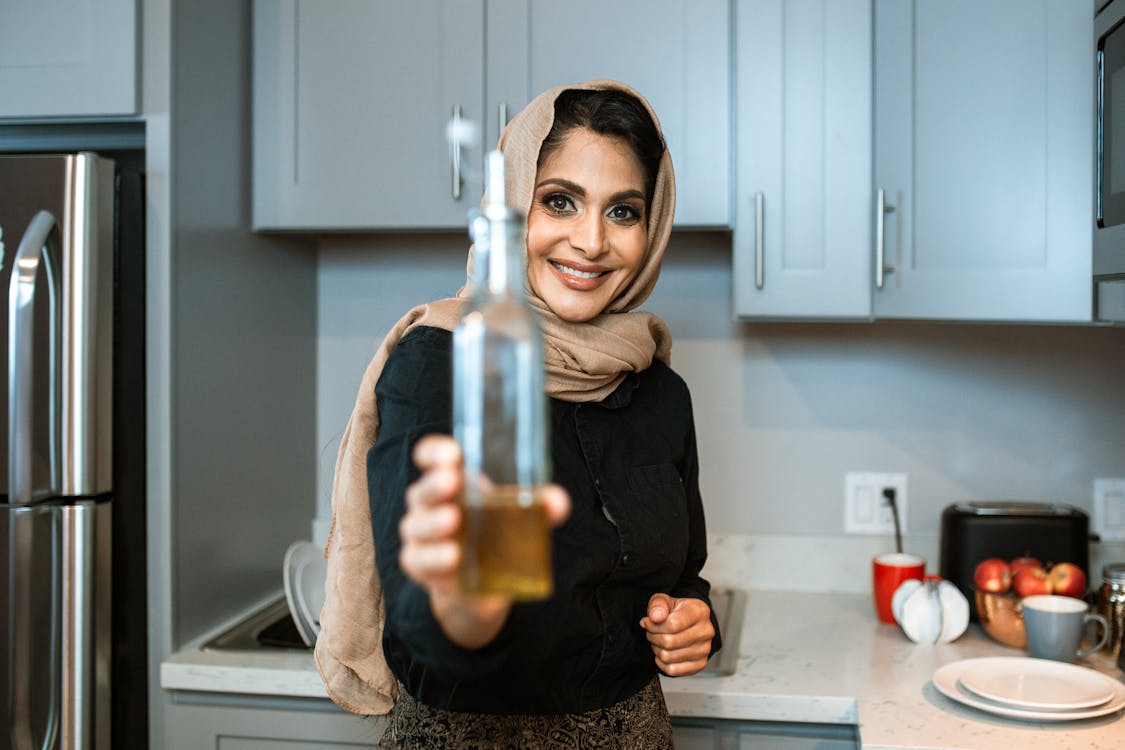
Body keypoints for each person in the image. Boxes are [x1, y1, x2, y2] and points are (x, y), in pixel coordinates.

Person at [316, 80, 720, 749]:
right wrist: (463, 609)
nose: (590, 242)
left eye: (623, 212)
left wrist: (689, 619)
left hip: (635, 733)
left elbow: (684, 576)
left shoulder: (658, 390)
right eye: (559, 202)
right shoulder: (442, 361)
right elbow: (423, 617)